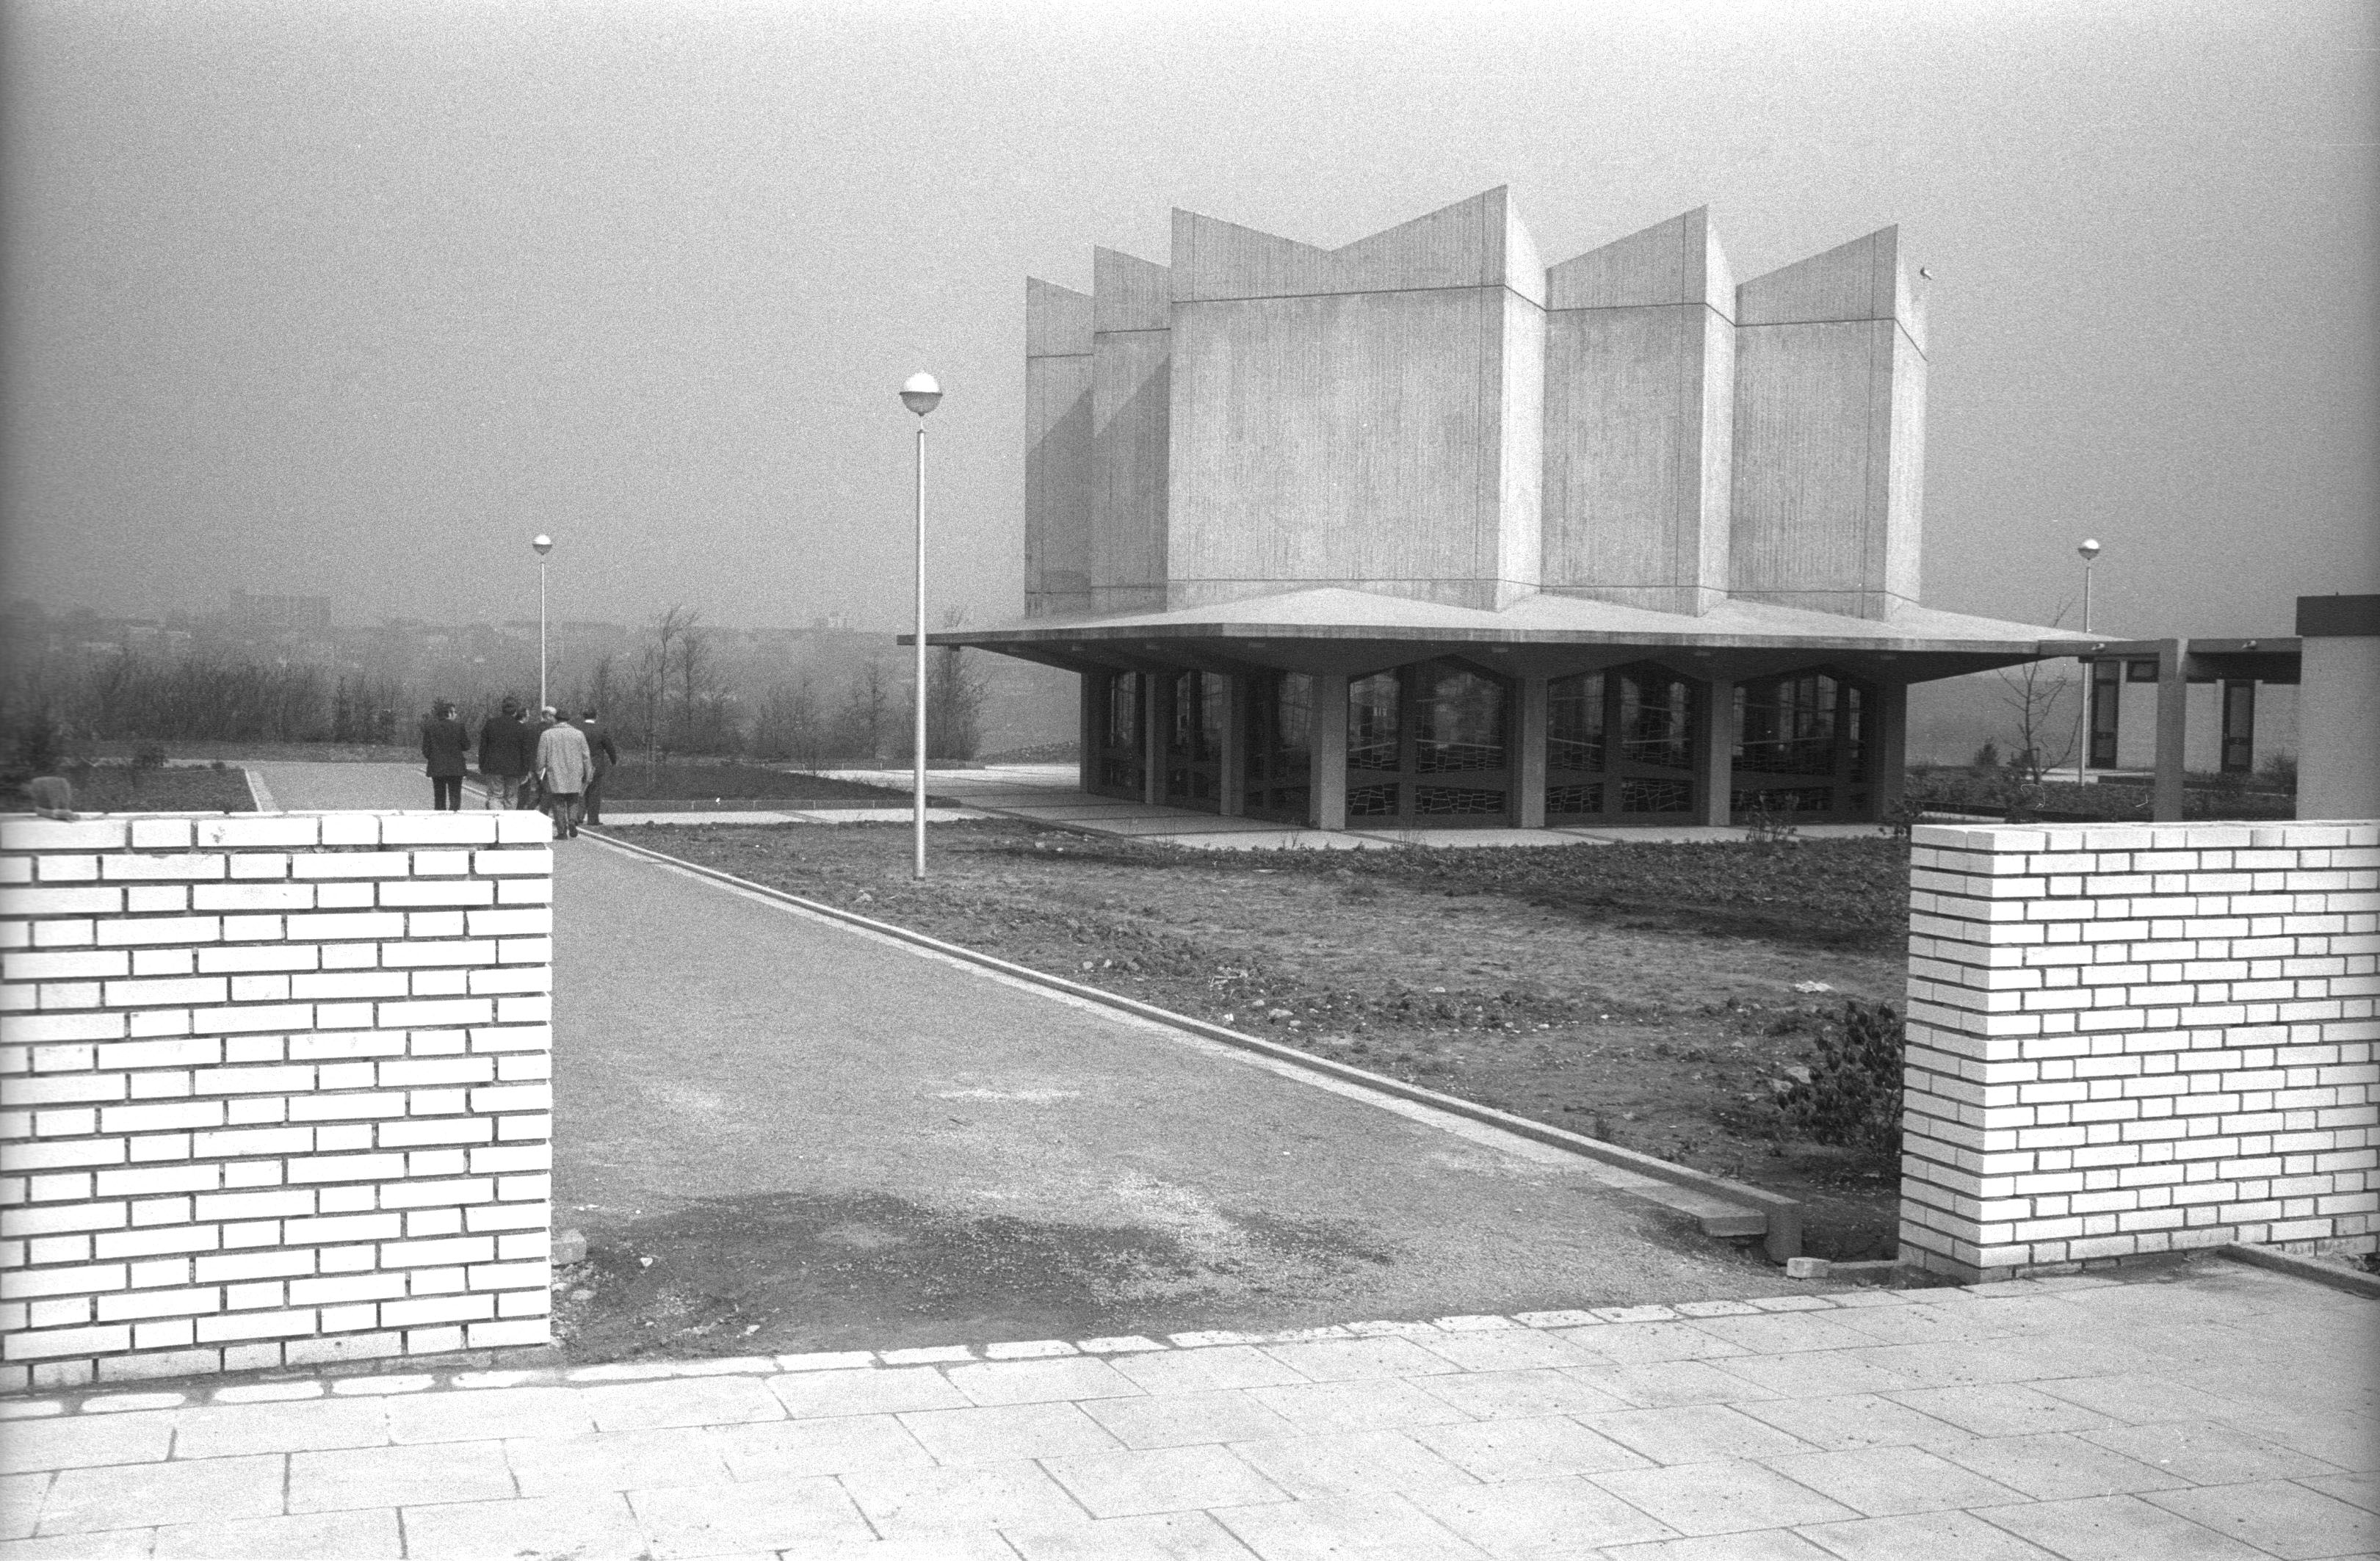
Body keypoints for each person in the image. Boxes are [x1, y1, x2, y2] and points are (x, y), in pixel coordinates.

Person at [534, 705, 595, 839]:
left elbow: (541, 757)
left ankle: (562, 831)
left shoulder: (547, 735)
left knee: (558, 801)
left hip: (555, 773)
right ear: (568, 720)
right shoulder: (579, 734)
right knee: (573, 799)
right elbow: (586, 756)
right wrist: (588, 773)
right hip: (575, 772)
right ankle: (572, 820)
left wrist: (539, 773)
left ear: (556, 719)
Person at [477, 696, 534, 810]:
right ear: (516, 711)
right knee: (511, 797)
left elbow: (483, 747)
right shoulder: (521, 728)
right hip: (514, 769)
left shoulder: (491, 724)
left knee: (495, 796)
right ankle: (508, 823)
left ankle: (498, 821)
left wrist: (482, 765)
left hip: (494, 767)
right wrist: (525, 770)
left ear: (502, 709)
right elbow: (525, 752)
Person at [419, 700, 470, 811]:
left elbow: (426, 749)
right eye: (454, 712)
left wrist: (433, 757)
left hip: (437, 766)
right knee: (455, 796)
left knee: (439, 797)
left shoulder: (430, 727)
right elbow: (466, 746)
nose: (456, 715)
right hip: (456, 767)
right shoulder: (459, 727)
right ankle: (454, 817)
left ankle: (440, 818)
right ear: (449, 713)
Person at [574, 707, 620, 826]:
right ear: (596, 716)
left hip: (579, 765)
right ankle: (593, 819)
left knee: (580, 791)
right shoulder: (601, 730)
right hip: (596, 765)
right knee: (594, 792)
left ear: (583, 716)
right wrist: (614, 760)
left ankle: (578, 817)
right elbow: (609, 746)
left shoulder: (577, 729)